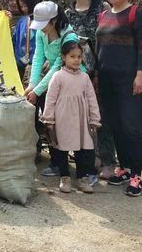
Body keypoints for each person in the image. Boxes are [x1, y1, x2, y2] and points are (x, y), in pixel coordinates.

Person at [95, 0, 142, 197]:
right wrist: (97, 74)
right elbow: (99, 48)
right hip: (106, 79)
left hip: (128, 79)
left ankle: (136, 173)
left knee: (132, 125)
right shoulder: (103, 16)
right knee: (114, 124)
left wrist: (140, 75)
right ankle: (124, 168)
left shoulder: (137, 14)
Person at [65, 0, 114, 180]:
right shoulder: (68, 13)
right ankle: (88, 158)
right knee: (81, 114)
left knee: (101, 114)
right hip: (77, 70)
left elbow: (110, 38)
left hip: (102, 68)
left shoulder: (102, 9)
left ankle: (108, 161)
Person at [23, 1, 80, 177]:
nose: (42, 29)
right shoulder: (41, 33)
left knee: (58, 122)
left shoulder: (68, 36)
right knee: (44, 118)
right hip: (49, 81)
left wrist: (37, 91)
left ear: (54, 20)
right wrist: (32, 85)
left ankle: (60, 163)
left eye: (45, 24)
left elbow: (57, 65)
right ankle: (46, 155)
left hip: (67, 81)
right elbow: (38, 57)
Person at [42, 41, 102, 194]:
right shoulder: (58, 76)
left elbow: (91, 98)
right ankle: (65, 178)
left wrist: (94, 118)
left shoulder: (84, 78)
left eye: (79, 57)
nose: (76, 60)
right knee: (62, 148)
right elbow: (50, 99)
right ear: (63, 57)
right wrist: (48, 119)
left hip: (81, 120)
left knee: (82, 150)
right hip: (63, 118)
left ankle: (82, 178)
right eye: (72, 56)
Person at [12, 0, 41, 79]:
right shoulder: (22, 21)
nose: (24, 9)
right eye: (21, 6)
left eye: (25, 6)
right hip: (20, 64)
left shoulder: (43, 20)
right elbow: (14, 40)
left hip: (38, 64)